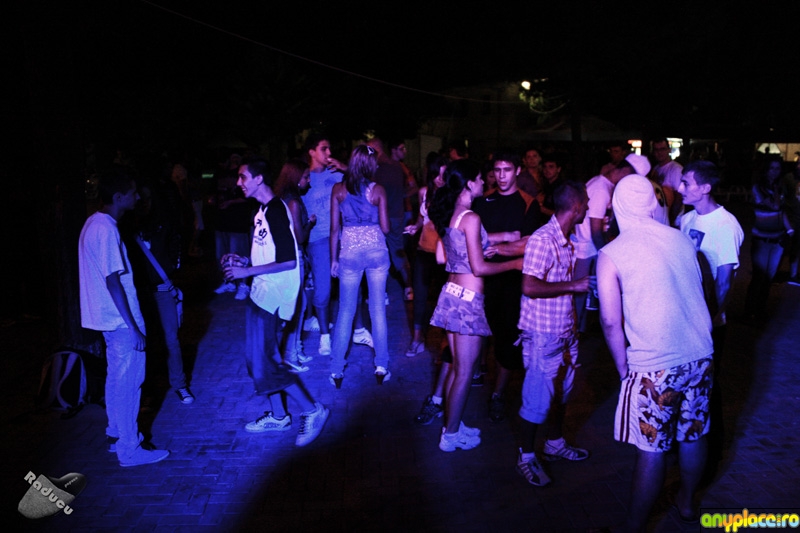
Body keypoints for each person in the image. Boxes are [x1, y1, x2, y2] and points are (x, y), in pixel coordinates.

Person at [597, 174, 714, 530]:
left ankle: (633, 526)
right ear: (652, 203)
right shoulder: (680, 239)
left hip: (655, 365)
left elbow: (609, 320)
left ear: (617, 207)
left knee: (652, 449)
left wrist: (623, 367)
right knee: (693, 433)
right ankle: (687, 504)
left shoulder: (611, 253)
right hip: (699, 355)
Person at [222, 157, 329, 446]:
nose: (239, 183)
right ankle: (279, 416)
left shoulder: (277, 211)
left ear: (259, 179)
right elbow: (268, 252)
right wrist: (244, 261)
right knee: (257, 360)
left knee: (265, 362)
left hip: (273, 296)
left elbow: (288, 261)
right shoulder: (262, 210)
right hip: (260, 293)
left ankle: (313, 410)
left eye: (243, 177)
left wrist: (246, 272)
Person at [428, 160, 522, 452]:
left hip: (452, 293)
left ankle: (452, 423)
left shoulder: (453, 214)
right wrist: (514, 264)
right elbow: (479, 268)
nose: (485, 181)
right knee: (466, 372)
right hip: (468, 301)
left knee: (457, 368)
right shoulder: (472, 217)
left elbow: (451, 254)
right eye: (481, 178)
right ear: (469, 183)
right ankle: (450, 436)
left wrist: (501, 238)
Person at [78, 170, 170, 467]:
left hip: (109, 319)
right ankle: (130, 448)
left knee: (117, 378)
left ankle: (116, 435)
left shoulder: (93, 223)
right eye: (132, 193)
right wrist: (133, 327)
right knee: (130, 382)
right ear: (118, 197)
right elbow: (113, 280)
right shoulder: (106, 229)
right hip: (120, 321)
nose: (137, 196)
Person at [515, 181, 590, 487]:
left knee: (561, 393)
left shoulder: (567, 241)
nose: (589, 207)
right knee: (537, 400)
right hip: (543, 335)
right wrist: (574, 285)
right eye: (586, 202)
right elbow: (529, 286)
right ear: (576, 207)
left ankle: (555, 444)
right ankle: (525, 456)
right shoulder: (543, 240)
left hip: (563, 332)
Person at [678, 160, 743, 481]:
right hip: (684, 319)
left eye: (687, 183)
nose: (680, 188)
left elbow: (725, 282)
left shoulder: (725, 225)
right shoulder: (686, 218)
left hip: (707, 324)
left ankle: (708, 462)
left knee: (707, 392)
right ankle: (685, 452)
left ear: (705, 187)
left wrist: (710, 319)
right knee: (685, 388)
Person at [473, 150, 542, 423]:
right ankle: (477, 371)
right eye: (498, 170)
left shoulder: (528, 203)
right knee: (481, 330)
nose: (501, 176)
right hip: (482, 276)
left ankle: (498, 394)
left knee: (507, 337)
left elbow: (529, 243)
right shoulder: (483, 200)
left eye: (507, 170)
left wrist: (497, 246)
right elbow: (471, 237)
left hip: (512, 279)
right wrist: (504, 237)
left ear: (517, 171)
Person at [328, 145, 392, 387]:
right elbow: (386, 228)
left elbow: (334, 229)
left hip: (350, 253)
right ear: (369, 165)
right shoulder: (378, 190)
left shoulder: (338, 190)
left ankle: (336, 369)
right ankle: (381, 365)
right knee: (377, 310)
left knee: (345, 311)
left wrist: (333, 260)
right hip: (376, 251)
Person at [128, 176, 195, 405]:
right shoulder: (127, 228)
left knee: (171, 339)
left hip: (163, 289)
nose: (144, 203)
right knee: (144, 340)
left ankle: (179, 384)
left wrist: (172, 268)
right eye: (140, 198)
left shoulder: (163, 223)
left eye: (148, 198)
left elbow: (174, 248)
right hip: (140, 291)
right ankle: (147, 389)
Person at [570, 158, 635, 332]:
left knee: (584, 296)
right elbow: (595, 230)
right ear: (625, 171)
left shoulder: (601, 183)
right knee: (580, 295)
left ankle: (580, 330)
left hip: (588, 248)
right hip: (586, 250)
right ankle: (576, 333)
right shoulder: (601, 190)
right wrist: (608, 254)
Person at [303, 134, 347, 355]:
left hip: (343, 236)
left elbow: (366, 181)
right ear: (312, 152)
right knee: (323, 291)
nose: (329, 153)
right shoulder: (304, 177)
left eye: (330, 149)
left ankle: (357, 330)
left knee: (350, 286)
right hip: (318, 239)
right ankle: (324, 335)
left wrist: (346, 168)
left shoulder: (337, 173)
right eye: (324, 149)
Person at [273, 159, 315, 372]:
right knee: (296, 307)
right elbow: (300, 237)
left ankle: (295, 348)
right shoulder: (294, 203)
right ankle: (290, 354)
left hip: (287, 256)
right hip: (294, 257)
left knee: (301, 304)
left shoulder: (282, 198)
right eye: (306, 177)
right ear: (296, 178)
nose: (309, 180)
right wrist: (310, 223)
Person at [404, 155, 448, 358]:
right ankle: (417, 339)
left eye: (444, 175)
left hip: (443, 254)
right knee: (420, 296)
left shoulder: (452, 196)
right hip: (423, 250)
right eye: (436, 174)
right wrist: (415, 226)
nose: (440, 179)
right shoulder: (424, 192)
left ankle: (445, 344)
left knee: (442, 297)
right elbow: (422, 218)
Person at [744, 155, 794, 322]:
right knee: (759, 277)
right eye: (771, 168)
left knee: (769, 279)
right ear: (765, 170)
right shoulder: (758, 188)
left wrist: (790, 230)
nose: (775, 172)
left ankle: (760, 311)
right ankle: (748, 312)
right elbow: (775, 205)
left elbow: (782, 211)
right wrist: (778, 191)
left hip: (777, 240)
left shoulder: (779, 187)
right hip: (762, 239)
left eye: (777, 169)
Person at [367, 137, 414, 301]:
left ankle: (382, 292)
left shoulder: (377, 168)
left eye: (369, 149)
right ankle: (408, 287)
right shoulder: (397, 166)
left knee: (379, 254)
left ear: (375, 149)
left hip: (382, 217)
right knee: (397, 251)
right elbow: (409, 187)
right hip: (397, 214)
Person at [212, 153, 253, 300]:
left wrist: (231, 202)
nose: (234, 160)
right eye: (232, 157)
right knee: (222, 255)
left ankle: (243, 285)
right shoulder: (220, 174)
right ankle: (229, 282)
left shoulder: (242, 175)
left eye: (237, 157)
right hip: (222, 221)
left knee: (239, 255)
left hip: (237, 222)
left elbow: (249, 198)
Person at [649, 138, 684, 226]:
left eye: (662, 149)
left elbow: (679, 197)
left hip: (673, 221)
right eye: (656, 150)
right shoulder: (656, 168)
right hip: (661, 220)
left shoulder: (676, 169)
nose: (659, 153)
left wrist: (671, 219)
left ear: (669, 150)